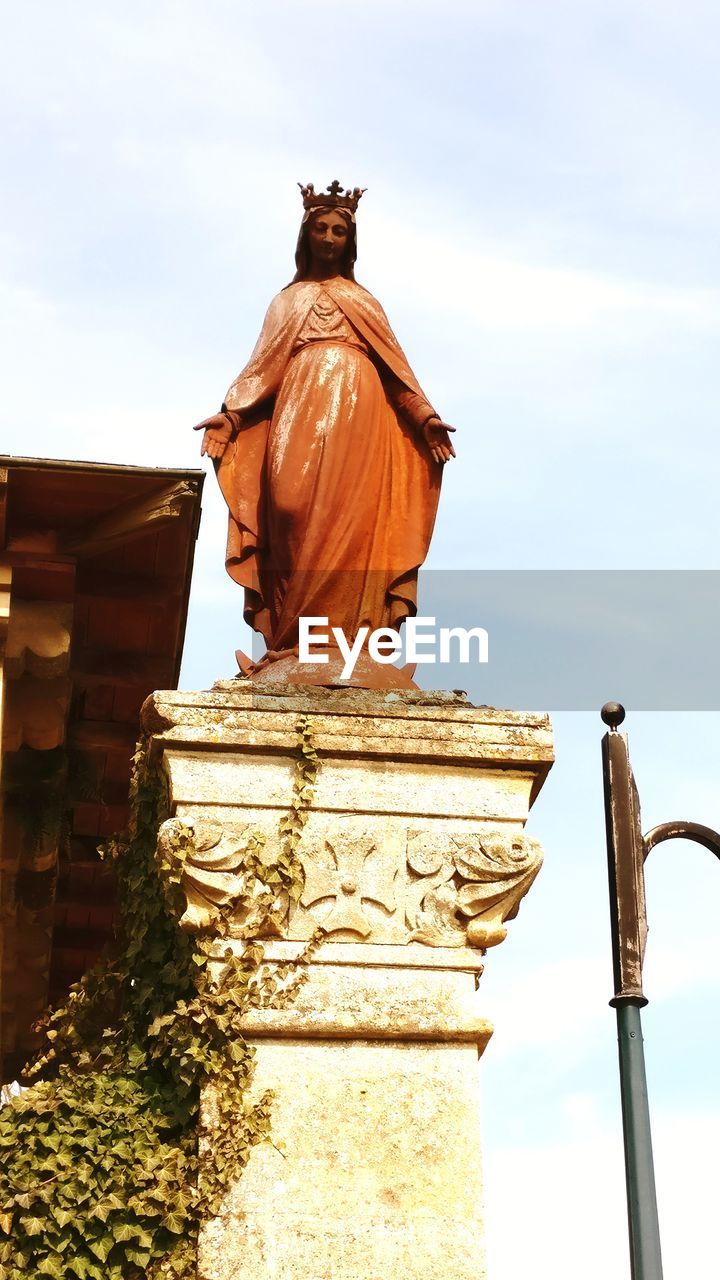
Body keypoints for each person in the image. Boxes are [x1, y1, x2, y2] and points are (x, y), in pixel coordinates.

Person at [195, 180, 456, 684]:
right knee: (289, 511)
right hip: (298, 404)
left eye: (340, 230)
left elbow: (396, 373)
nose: (330, 237)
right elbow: (262, 367)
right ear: (306, 234)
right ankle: (290, 638)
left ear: (350, 241)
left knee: (353, 525)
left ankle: (347, 644)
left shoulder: (363, 302)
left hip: (360, 415)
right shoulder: (287, 301)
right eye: (321, 228)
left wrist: (424, 417)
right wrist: (230, 415)